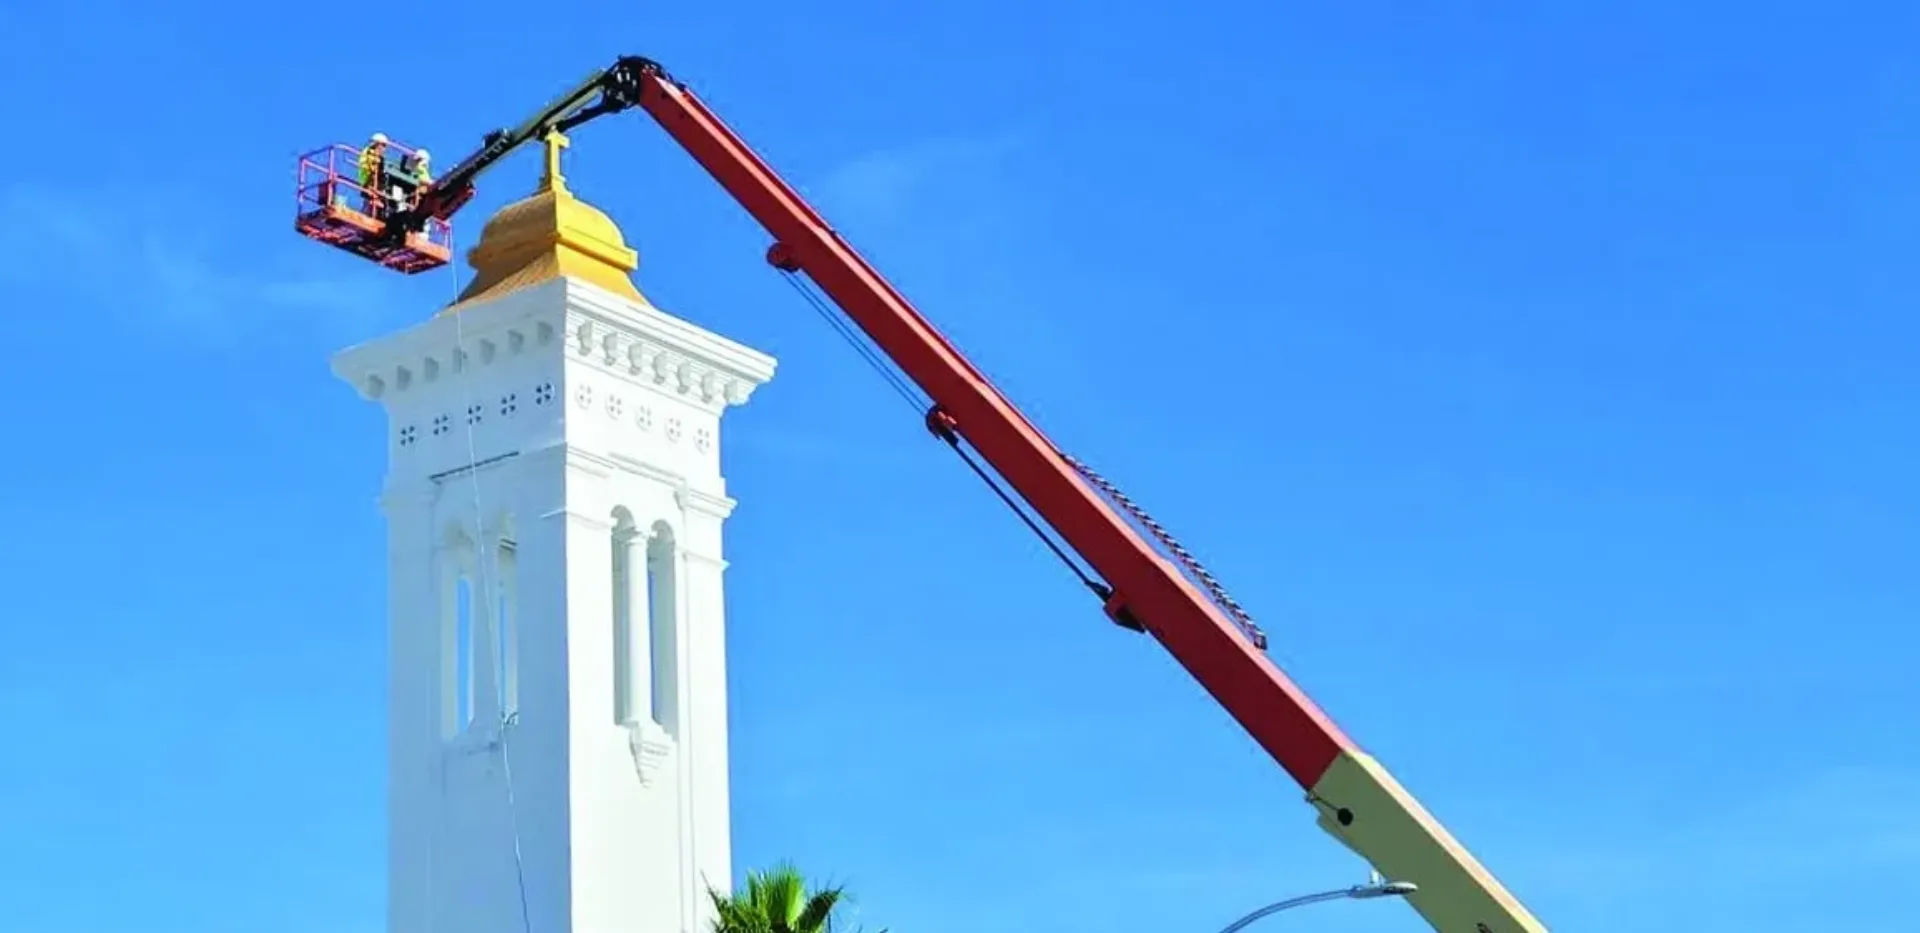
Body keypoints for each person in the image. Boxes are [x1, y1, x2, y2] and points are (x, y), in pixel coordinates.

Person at [357, 132, 389, 215]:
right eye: (383, 145)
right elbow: (373, 168)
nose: (384, 149)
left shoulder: (368, 152)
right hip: (370, 182)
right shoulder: (370, 153)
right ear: (377, 144)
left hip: (369, 182)